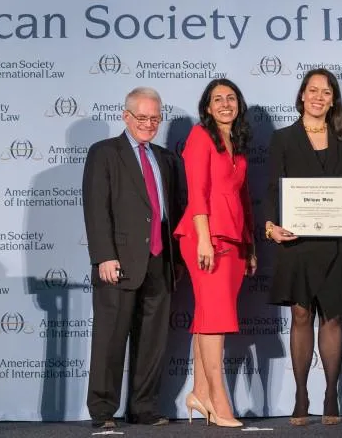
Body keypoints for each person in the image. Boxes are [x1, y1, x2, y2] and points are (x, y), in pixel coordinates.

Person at [264, 68, 342, 426]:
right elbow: (272, 191)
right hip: (297, 241)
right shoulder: (282, 139)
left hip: (337, 241)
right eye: (313, 90)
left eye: (326, 92)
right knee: (301, 315)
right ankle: (301, 394)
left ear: (333, 99)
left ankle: (330, 393)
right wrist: (268, 227)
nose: (319, 97)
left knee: (334, 316)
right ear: (302, 95)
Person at [82, 87, 185, 429]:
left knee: (152, 341)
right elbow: (97, 209)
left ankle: (143, 408)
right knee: (110, 338)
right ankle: (102, 410)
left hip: (159, 260)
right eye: (142, 117)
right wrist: (104, 256)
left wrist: (177, 261)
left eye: (155, 118)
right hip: (120, 261)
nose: (149, 124)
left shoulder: (166, 158)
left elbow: (173, 211)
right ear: (126, 116)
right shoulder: (104, 153)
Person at [173, 78, 256, 428]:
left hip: (235, 240)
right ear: (207, 107)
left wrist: (250, 245)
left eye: (231, 98)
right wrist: (204, 239)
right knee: (215, 320)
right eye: (217, 99)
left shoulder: (237, 143)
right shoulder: (199, 137)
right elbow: (197, 192)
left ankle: (199, 392)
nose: (225, 104)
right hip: (205, 238)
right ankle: (218, 401)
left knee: (209, 317)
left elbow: (243, 199)